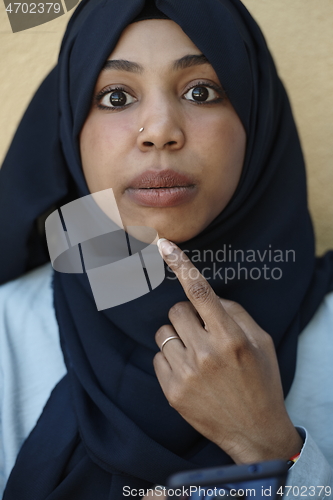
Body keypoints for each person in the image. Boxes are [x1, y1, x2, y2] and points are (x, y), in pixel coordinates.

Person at [0, 0, 332, 498]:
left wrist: (269, 448)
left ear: (257, 120)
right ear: (71, 129)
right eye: (115, 97)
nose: (159, 131)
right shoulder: (8, 330)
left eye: (201, 91)